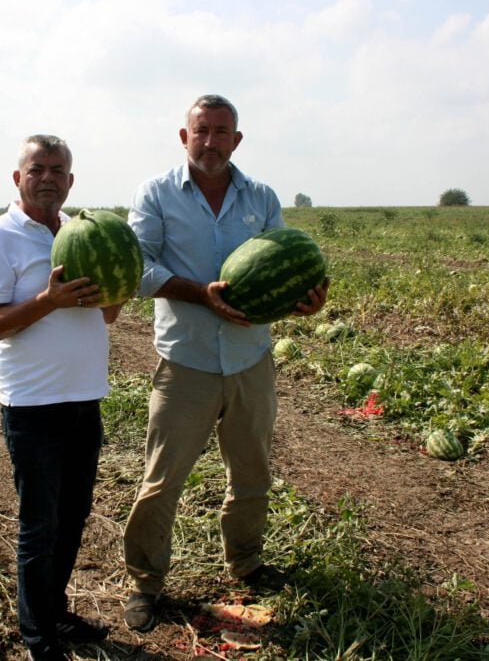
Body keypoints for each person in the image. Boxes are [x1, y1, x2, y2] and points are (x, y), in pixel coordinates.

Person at [121, 95, 330, 632]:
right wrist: (200, 293)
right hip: (185, 361)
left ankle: (247, 563)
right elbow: (137, 266)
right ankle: (145, 584)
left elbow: (286, 256)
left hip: (249, 359)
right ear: (184, 136)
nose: (211, 141)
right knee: (162, 480)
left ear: (237, 140)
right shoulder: (157, 193)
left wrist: (306, 300)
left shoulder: (260, 197)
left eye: (222, 132)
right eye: (202, 131)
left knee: (252, 472)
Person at [0, 134, 120, 661]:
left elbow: (107, 314)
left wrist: (113, 293)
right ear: (18, 177)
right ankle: (37, 637)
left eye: (59, 169)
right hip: (32, 404)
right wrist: (48, 300)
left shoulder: (81, 236)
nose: (48, 177)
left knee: (74, 514)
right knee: (39, 523)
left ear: (71, 181)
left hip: (86, 396)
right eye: (38, 168)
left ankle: (54, 610)